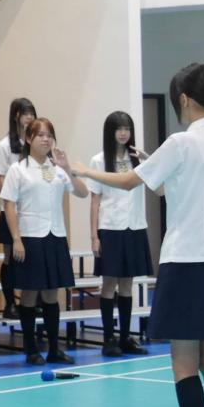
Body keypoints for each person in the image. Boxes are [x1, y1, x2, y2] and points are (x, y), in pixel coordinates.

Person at [72, 64, 204, 407]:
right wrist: (156, 167)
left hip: (185, 262)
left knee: (184, 364)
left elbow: (129, 181)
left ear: (183, 99)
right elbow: (176, 186)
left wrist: (85, 171)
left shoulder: (180, 143)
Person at [0, 117, 88, 366]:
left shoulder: (57, 169)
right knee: (29, 294)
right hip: (30, 237)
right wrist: (16, 238)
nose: (46, 139)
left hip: (55, 236)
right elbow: (9, 206)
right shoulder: (18, 169)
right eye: (40, 135)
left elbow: (83, 192)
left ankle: (54, 349)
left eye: (49, 135)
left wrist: (67, 168)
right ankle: (30, 349)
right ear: (29, 138)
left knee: (52, 294)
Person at [87, 110, 154, 357]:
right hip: (110, 228)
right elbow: (95, 201)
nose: (124, 133)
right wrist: (94, 236)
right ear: (110, 131)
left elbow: (157, 182)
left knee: (127, 284)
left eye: (127, 128)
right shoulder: (98, 160)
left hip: (134, 227)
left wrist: (148, 159)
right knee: (109, 284)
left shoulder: (137, 159)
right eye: (119, 128)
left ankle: (125, 337)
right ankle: (108, 338)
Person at [0, 97, 37, 320]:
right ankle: (10, 303)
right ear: (16, 116)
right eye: (25, 113)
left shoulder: (35, 142)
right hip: (11, 210)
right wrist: (11, 202)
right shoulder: (4, 145)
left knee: (33, 256)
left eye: (32, 113)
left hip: (33, 211)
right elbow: (1, 179)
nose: (29, 117)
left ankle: (33, 302)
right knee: (9, 258)